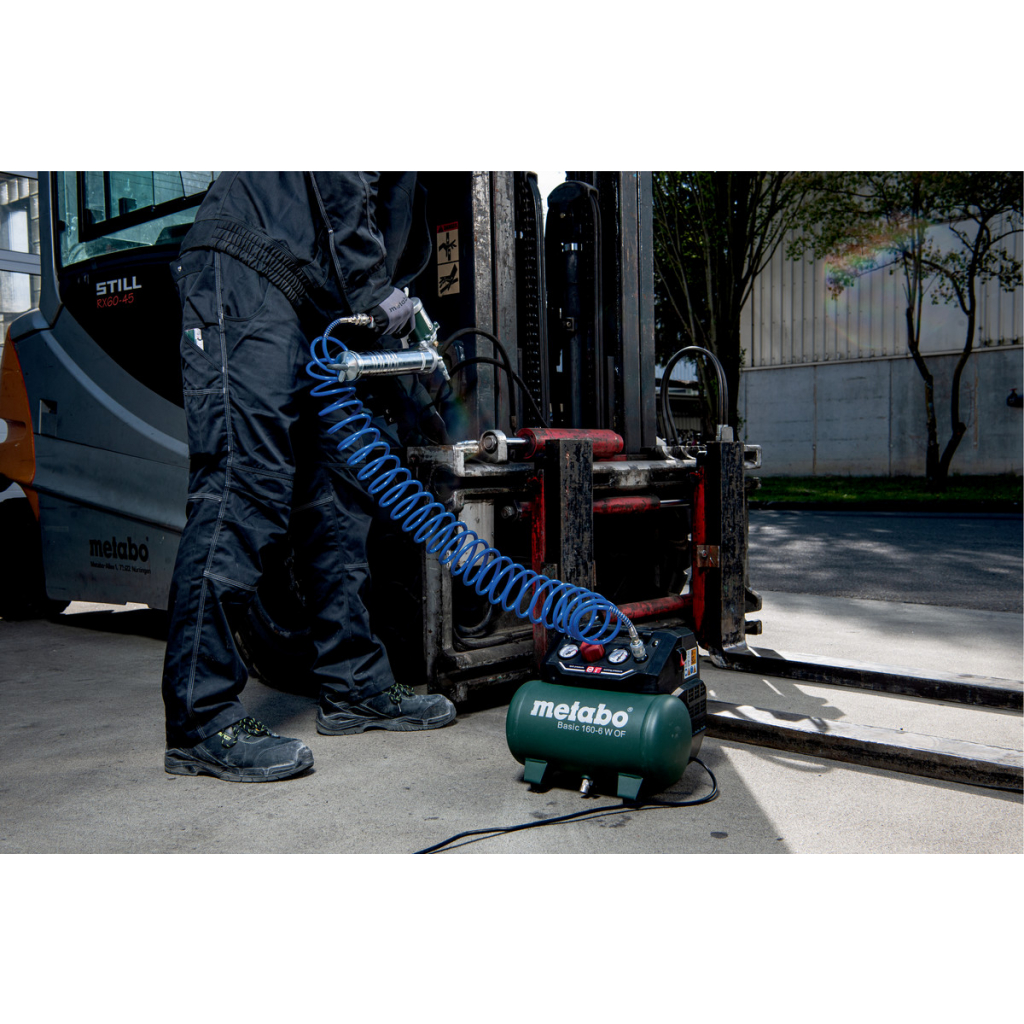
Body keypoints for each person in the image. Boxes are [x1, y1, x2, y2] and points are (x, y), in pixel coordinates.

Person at [161, 172, 456, 783]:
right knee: (244, 482)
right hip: (249, 266)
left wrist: (403, 385)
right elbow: (341, 180)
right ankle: (200, 719)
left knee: (337, 493)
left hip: (313, 298)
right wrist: (376, 298)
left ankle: (354, 686)